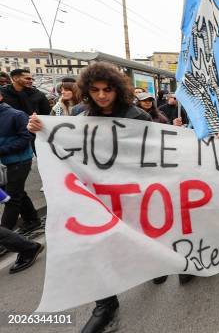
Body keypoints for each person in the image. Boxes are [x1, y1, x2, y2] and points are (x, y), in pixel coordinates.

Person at [28, 62, 182, 333]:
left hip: (132, 193)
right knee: (95, 245)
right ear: (87, 91)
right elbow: (63, 147)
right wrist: (42, 129)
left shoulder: (137, 116)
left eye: (107, 90)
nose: (101, 95)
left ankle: (155, 264)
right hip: (94, 195)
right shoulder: (78, 114)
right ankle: (106, 304)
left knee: (139, 236)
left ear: (117, 90)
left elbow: (152, 156)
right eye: (96, 90)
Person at [0, 91, 40, 233]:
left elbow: (25, 139)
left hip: (20, 161)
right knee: (17, 193)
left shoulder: (16, 115)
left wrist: (2, 150)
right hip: (5, 164)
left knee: (11, 198)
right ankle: (32, 220)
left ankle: (4, 237)